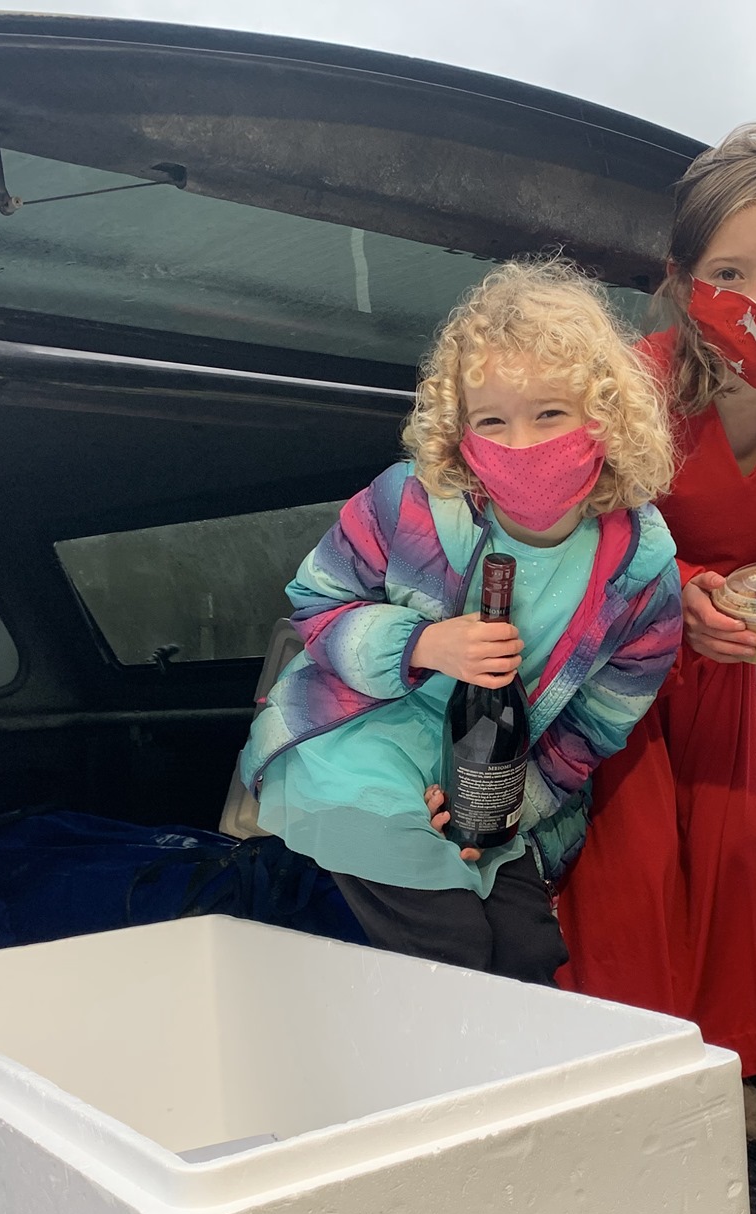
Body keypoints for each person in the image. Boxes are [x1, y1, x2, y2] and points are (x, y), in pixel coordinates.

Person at [555, 126, 756, 1159]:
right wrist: (682, 590)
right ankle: (621, 1103)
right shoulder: (628, 389)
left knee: (731, 866)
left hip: (722, 681)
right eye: (729, 273)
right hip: (612, 675)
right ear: (681, 279)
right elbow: (576, 538)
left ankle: (729, 1085)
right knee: (631, 876)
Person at [237, 260, 681, 984]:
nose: (520, 444)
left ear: (604, 417)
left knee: (526, 953)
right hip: (358, 744)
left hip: (487, 775)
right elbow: (319, 603)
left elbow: (597, 723)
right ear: (460, 430)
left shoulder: (643, 574)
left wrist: (500, 811)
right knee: (449, 944)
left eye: (550, 414)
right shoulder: (405, 503)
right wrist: (421, 643)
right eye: (492, 421)